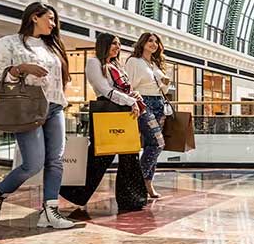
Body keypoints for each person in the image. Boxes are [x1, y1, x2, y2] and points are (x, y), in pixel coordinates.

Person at [0, 2, 74, 229]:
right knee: (33, 164)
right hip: (27, 107)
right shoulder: (9, 44)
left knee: (55, 161)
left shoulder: (52, 46)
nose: (53, 24)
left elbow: (61, 79)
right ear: (35, 17)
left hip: (54, 107)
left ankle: (50, 212)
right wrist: (21, 68)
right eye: (50, 19)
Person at [60, 33, 146, 212]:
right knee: (100, 156)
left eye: (119, 44)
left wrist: (135, 96)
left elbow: (124, 88)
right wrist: (130, 101)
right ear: (103, 45)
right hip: (106, 112)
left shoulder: (117, 65)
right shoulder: (94, 63)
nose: (117, 47)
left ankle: (132, 199)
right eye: (114, 44)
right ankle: (73, 193)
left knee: (130, 155)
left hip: (125, 112)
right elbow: (104, 89)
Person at [124, 33, 171, 199]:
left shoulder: (156, 64)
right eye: (150, 41)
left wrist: (166, 84)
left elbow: (162, 91)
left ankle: (148, 184)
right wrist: (133, 102)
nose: (154, 44)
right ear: (142, 43)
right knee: (158, 143)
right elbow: (128, 85)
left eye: (156, 42)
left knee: (153, 145)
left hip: (158, 103)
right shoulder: (133, 61)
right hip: (143, 103)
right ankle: (137, 182)